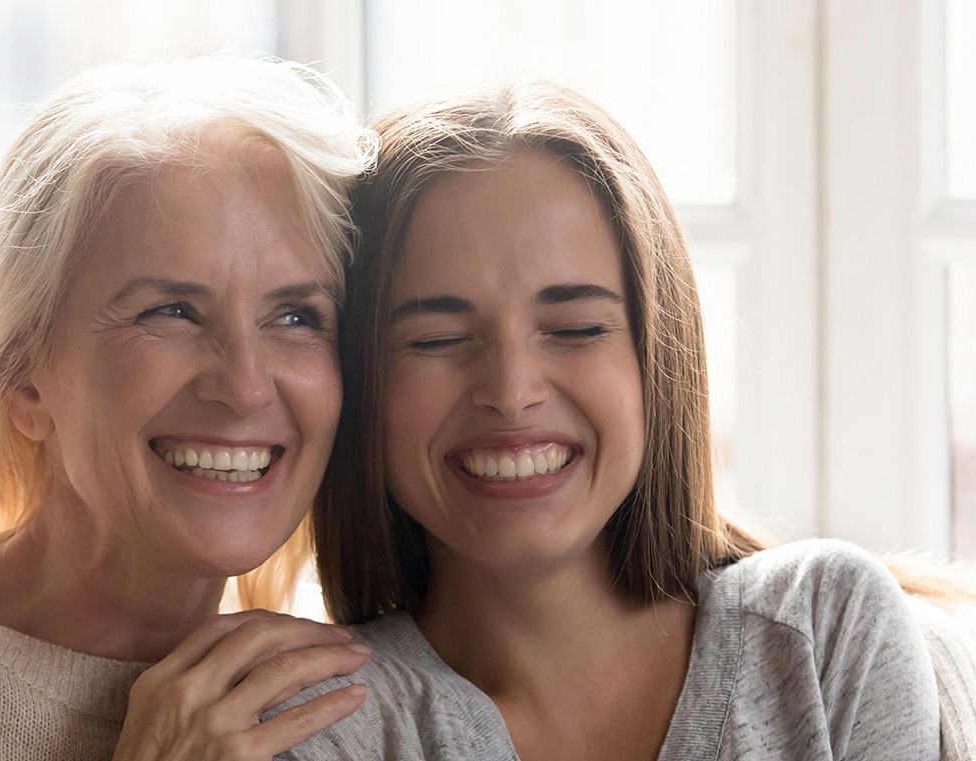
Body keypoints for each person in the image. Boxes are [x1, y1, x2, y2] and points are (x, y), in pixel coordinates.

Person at [283, 81, 941, 761]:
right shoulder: (316, 727)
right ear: (358, 383)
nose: (510, 392)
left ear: (659, 357)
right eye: (437, 339)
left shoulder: (823, 630)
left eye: (575, 328)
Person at [0, 54, 378, 761]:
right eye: (172, 311)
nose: (246, 386)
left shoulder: (341, 694)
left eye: (295, 316)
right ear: (24, 380)